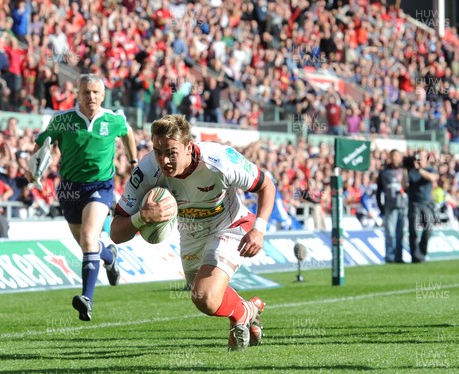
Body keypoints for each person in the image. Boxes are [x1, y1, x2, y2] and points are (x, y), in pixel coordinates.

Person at [110, 114, 276, 351]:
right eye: (158, 151)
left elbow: (266, 185)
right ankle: (246, 310)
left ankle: (241, 315)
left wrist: (259, 229)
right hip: (190, 234)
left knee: (205, 295)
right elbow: (116, 233)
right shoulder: (146, 171)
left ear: (188, 147)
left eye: (171, 152)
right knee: (202, 299)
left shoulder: (219, 159)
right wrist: (142, 217)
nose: (164, 160)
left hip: (230, 225)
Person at [27, 74, 138, 322]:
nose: (92, 97)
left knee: (89, 238)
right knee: (88, 246)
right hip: (69, 189)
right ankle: (109, 257)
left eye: (96, 92)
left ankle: (86, 298)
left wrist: (133, 161)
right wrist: (32, 166)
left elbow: (128, 133)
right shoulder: (62, 120)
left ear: (103, 95)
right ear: (78, 94)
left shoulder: (113, 118)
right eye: (86, 92)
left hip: (100, 187)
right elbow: (42, 143)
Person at [406, 150, 438, 263]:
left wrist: (419, 169)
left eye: (423, 157)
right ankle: (415, 256)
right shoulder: (410, 171)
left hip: (426, 203)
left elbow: (432, 178)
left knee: (429, 228)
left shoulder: (430, 169)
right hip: (414, 203)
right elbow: (404, 185)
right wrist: (407, 169)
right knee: (413, 230)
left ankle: (422, 252)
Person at [377, 149, 406, 263]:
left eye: (397, 156)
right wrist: (381, 207)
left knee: (401, 234)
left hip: (403, 205)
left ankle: (399, 257)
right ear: (390, 157)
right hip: (390, 206)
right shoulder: (384, 173)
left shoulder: (404, 171)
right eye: (393, 155)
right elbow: (379, 191)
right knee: (390, 233)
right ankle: (390, 257)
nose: (395, 158)